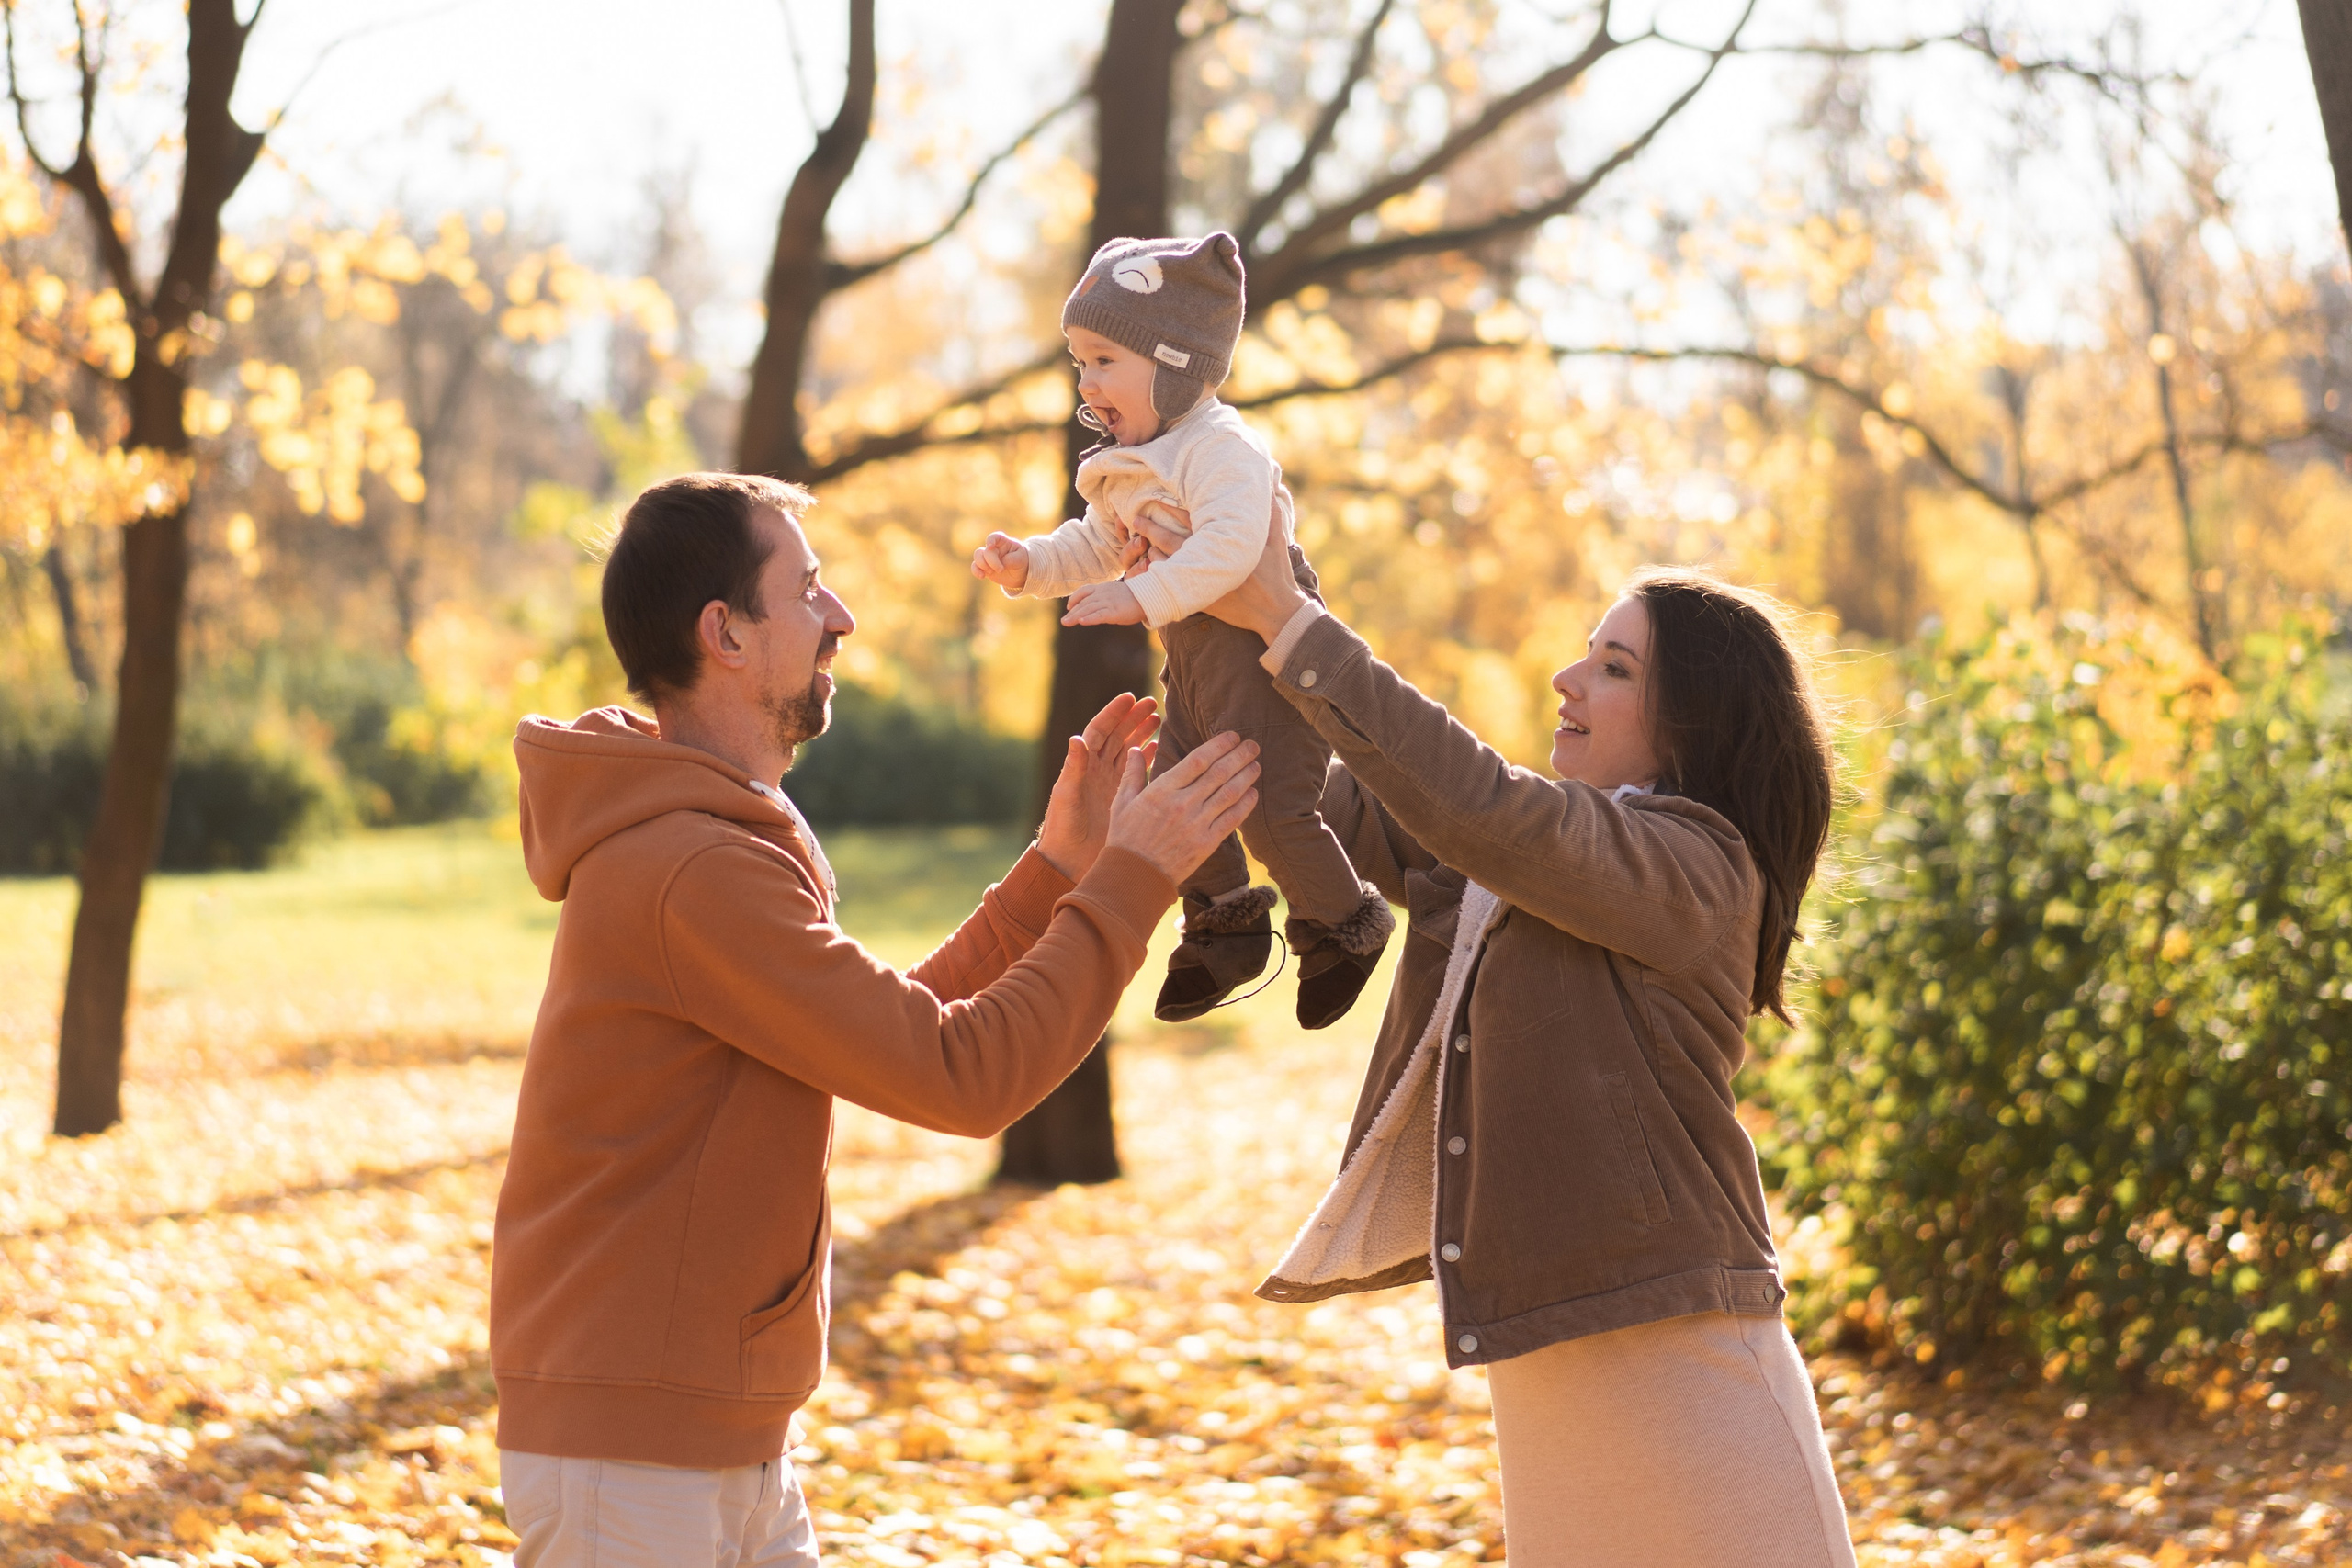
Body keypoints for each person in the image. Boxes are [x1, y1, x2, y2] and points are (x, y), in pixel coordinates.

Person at [491, 472, 1260, 1568]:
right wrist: (1130, 882)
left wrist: (1058, 873)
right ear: (728, 635)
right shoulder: (688, 866)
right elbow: (960, 1077)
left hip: (706, 1432)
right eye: (806, 588)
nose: (840, 615)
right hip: (637, 1453)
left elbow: (895, 1031)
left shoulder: (713, 843)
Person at [1165, 505, 1855, 1567]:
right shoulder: (1507, 863)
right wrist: (1208, 610)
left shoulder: (1698, 866)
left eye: (1614, 667)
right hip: (1548, 1363)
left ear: (1692, 720)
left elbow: (1484, 806)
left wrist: (1294, 621)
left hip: (1688, 1363)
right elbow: (1318, 796)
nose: (1567, 682)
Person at [970, 231, 1395, 1031]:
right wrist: (1029, 563)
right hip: (1195, 660)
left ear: (1174, 364)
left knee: (1270, 806)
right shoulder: (1135, 456)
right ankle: (1222, 924)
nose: (1088, 383)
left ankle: (1344, 926)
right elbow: (1097, 542)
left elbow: (1235, 550)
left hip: (1263, 653)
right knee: (1174, 797)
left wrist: (1143, 598)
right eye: (1080, 363)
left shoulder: (1219, 448)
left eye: (1104, 360)